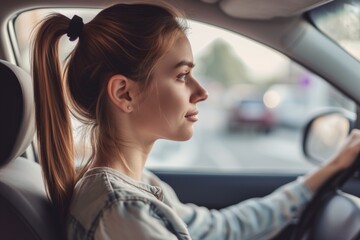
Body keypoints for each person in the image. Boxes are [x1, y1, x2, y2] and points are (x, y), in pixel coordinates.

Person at [32, 3, 360, 240]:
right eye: (183, 75)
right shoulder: (121, 211)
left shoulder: (140, 188)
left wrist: (324, 173)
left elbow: (224, 228)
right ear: (124, 93)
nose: (201, 92)